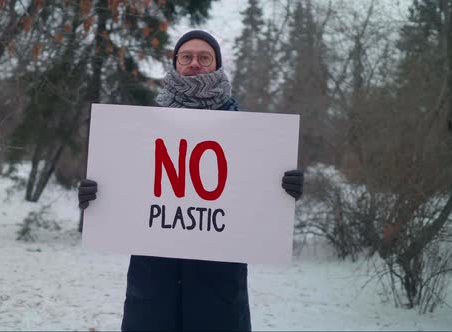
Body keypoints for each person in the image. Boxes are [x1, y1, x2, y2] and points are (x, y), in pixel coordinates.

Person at [77, 30, 304, 331]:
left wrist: (284, 187)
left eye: (204, 57)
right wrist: (96, 193)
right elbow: (125, 190)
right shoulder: (142, 127)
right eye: (186, 56)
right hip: (153, 285)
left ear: (217, 66)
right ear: (175, 64)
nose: (194, 63)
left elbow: (255, 201)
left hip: (218, 287)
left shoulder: (246, 131)